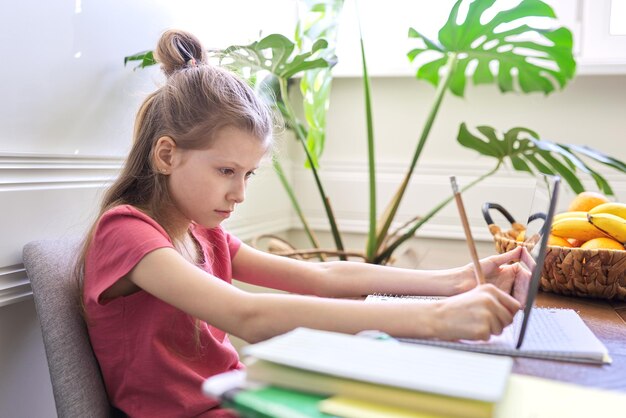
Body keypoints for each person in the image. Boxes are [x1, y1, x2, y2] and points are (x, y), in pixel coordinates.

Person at [78, 29, 529, 417]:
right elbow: (248, 315)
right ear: (166, 155)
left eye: (248, 174)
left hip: (237, 399)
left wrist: (456, 281)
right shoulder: (126, 233)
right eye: (225, 171)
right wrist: (435, 319)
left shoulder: (203, 234)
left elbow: (323, 275)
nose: (240, 193)